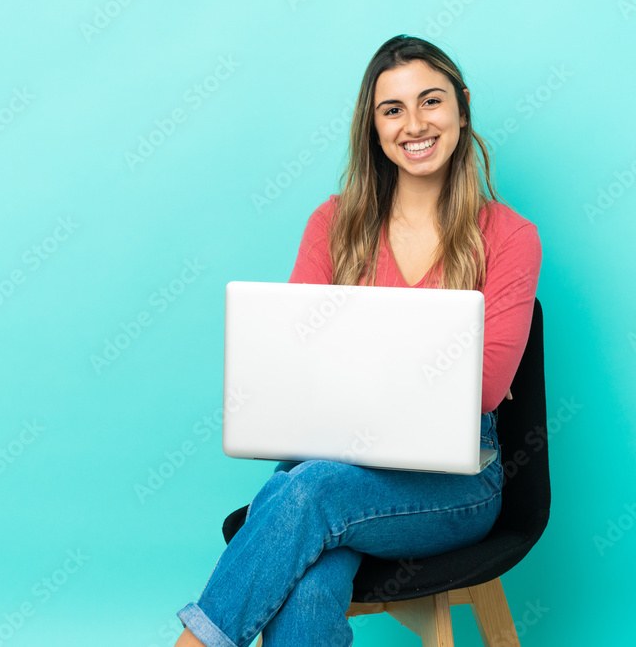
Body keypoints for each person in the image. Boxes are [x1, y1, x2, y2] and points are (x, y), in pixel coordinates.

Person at [173, 34, 542, 647]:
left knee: (312, 488)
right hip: (330, 465)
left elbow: (482, 388)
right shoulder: (333, 223)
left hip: (454, 482)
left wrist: (349, 374)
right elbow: (290, 367)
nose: (414, 124)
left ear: (462, 107)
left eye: (431, 101)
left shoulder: (508, 237)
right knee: (311, 577)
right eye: (392, 109)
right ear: (372, 126)